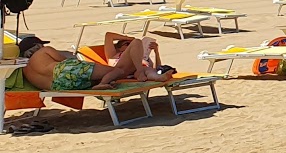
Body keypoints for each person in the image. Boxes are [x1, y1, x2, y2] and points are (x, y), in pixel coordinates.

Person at [9, 33, 173, 92]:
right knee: (114, 71)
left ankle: (140, 73)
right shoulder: (43, 52)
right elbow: (67, 61)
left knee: (119, 71)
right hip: (64, 71)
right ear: (37, 46)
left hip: (59, 86)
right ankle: (105, 82)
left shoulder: (26, 72)